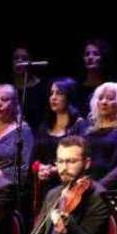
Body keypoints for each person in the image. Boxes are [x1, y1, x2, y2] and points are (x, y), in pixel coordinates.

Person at [31, 77, 88, 214]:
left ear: (69, 96)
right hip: (45, 187)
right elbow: (33, 160)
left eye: (59, 93)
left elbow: (82, 159)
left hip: (70, 187)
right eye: (51, 93)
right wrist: (41, 168)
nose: (53, 97)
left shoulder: (79, 125)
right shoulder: (44, 126)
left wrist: (56, 169)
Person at [82, 82, 117, 189]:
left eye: (110, 98)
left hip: (112, 188)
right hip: (87, 186)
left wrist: (99, 186)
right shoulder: (89, 131)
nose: (104, 102)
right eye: (100, 98)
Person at [0, 83, 35, 187]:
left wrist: (3, 174)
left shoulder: (23, 131)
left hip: (8, 188)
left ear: (15, 103)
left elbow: (26, 168)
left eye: (4, 99)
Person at [11, 46, 48, 131]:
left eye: (24, 58)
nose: (19, 61)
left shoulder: (42, 86)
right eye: (16, 58)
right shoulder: (7, 87)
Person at [75, 39, 115, 117]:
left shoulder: (110, 87)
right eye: (87, 54)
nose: (90, 57)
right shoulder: (77, 87)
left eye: (96, 54)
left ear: (103, 57)